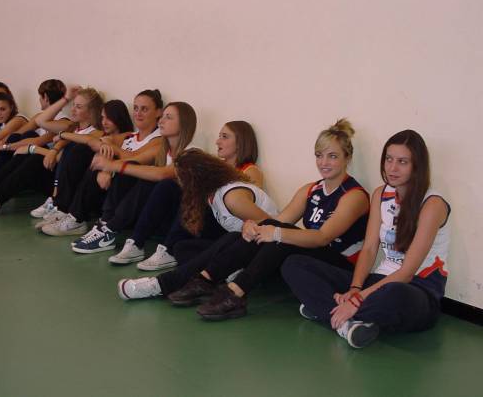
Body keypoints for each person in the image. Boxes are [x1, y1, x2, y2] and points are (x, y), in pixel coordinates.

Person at [118, 120, 369, 324]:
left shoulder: (354, 196)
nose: (324, 163)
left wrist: (274, 232)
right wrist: (254, 227)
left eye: (332, 156)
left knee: (279, 236)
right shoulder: (310, 189)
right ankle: (188, 281)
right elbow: (279, 221)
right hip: (305, 259)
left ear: (347, 157)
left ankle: (235, 292)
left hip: (338, 268)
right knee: (238, 235)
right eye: (319, 156)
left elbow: (322, 238)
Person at [281, 130, 450, 348]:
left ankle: (324, 309)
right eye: (389, 159)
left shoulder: (432, 204)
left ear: (417, 165)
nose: (392, 168)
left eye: (402, 162)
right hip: (377, 281)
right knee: (294, 264)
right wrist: (355, 288)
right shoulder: (380, 194)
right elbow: (369, 248)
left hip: (416, 291)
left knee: (393, 294)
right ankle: (347, 323)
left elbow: (407, 273)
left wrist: (357, 300)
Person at [104, 120, 264, 271]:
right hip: (197, 220)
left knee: (196, 198)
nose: (217, 141)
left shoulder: (250, 170)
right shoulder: (217, 165)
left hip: (223, 225)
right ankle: (136, 243)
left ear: (240, 142)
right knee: (167, 185)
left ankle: (169, 250)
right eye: (219, 136)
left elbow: (249, 208)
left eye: (225, 137)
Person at [69, 101, 197, 252]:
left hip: (174, 221)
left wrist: (112, 166)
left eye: (168, 117)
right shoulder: (163, 149)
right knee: (130, 168)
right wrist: (107, 169)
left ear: (184, 123)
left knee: (151, 180)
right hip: (150, 215)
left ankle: (110, 230)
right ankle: (104, 224)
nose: (161, 121)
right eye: (162, 116)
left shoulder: (190, 152)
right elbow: (130, 158)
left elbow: (162, 174)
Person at [37, 89, 163, 236]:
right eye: (135, 108)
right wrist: (104, 153)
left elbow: (136, 158)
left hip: (127, 198)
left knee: (114, 162)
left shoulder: (159, 140)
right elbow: (101, 141)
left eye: (144, 109)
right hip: (105, 190)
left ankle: (80, 219)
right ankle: (68, 213)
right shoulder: (130, 136)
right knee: (84, 151)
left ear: (158, 112)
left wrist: (108, 166)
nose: (138, 113)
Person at [0, 87, 106, 215]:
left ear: (91, 111)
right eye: (73, 105)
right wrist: (66, 98)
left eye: (78, 107)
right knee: (26, 155)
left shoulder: (96, 133)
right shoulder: (72, 127)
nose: (73, 110)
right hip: (54, 174)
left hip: (65, 186)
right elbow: (41, 120)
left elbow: (64, 159)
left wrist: (32, 149)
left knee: (35, 158)